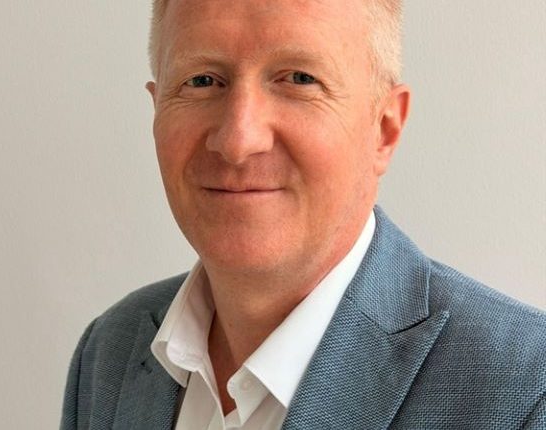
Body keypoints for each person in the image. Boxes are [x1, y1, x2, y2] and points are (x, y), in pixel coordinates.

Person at [60, 0, 546, 428]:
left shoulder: (527, 391)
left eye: (299, 79)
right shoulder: (108, 352)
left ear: (384, 129)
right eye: (202, 81)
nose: (238, 140)